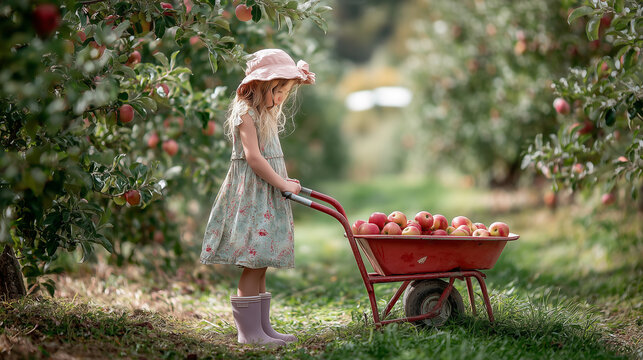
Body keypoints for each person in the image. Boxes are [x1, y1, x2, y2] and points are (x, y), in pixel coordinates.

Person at [200, 49, 315, 346]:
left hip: (267, 192)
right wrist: (282, 183)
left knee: (261, 260)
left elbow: (269, 159)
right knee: (253, 261)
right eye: (277, 91)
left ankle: (262, 328)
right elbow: (254, 159)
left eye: (284, 93)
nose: (280, 99)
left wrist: (284, 181)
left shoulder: (264, 114)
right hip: (253, 196)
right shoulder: (245, 114)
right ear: (261, 85)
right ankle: (249, 334)